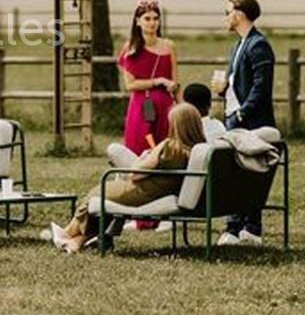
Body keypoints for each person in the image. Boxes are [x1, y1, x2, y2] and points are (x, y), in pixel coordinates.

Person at [50, 103, 207, 254]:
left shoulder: (169, 147)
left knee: (97, 194)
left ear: (176, 125)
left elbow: (135, 174)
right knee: (105, 194)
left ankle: (67, 233)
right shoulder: (196, 149)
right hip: (164, 191)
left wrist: (145, 157)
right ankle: (77, 241)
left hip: (144, 192)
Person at [212, 0, 276, 247]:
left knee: (248, 173)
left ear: (239, 14)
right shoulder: (237, 46)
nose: (226, 17)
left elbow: (261, 87)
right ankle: (243, 227)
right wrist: (222, 89)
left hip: (251, 120)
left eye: (227, 12)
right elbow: (236, 83)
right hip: (232, 117)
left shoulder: (258, 45)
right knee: (234, 173)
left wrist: (241, 114)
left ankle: (242, 228)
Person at [117, 0, 177, 155]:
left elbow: (176, 80)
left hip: (165, 105)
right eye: (147, 19)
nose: (152, 23)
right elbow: (130, 85)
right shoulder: (130, 48)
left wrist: (180, 106)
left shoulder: (169, 46)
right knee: (139, 147)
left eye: (156, 18)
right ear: (138, 22)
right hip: (141, 104)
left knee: (165, 148)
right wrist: (158, 81)